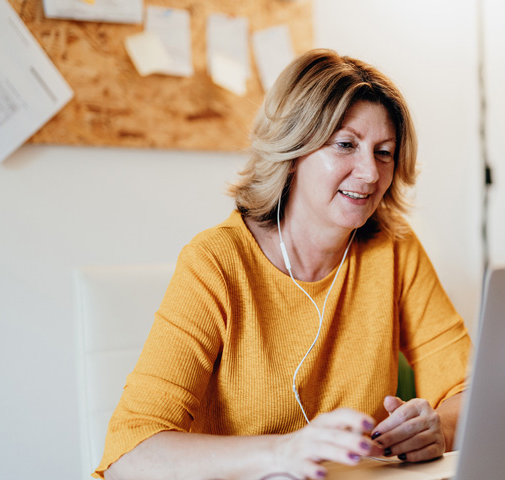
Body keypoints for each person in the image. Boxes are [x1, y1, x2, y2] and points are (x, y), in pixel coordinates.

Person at [97, 49, 471, 480]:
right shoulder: (215, 262)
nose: (370, 173)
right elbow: (129, 456)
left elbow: (470, 390)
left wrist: (439, 428)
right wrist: (282, 453)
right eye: (345, 145)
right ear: (294, 151)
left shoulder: (394, 249)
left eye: (384, 152)